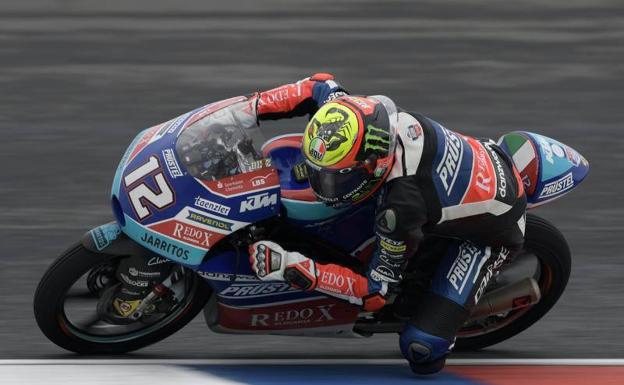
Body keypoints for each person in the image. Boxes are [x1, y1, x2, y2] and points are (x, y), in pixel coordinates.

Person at [248, 73, 527, 374]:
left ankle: (447, 317)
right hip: (462, 173)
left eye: (335, 178)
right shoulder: (358, 115)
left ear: (373, 165)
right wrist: (252, 107)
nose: (322, 183)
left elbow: (374, 292)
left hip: (494, 229)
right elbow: (318, 85)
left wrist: (292, 265)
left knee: (421, 349)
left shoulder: (402, 207)